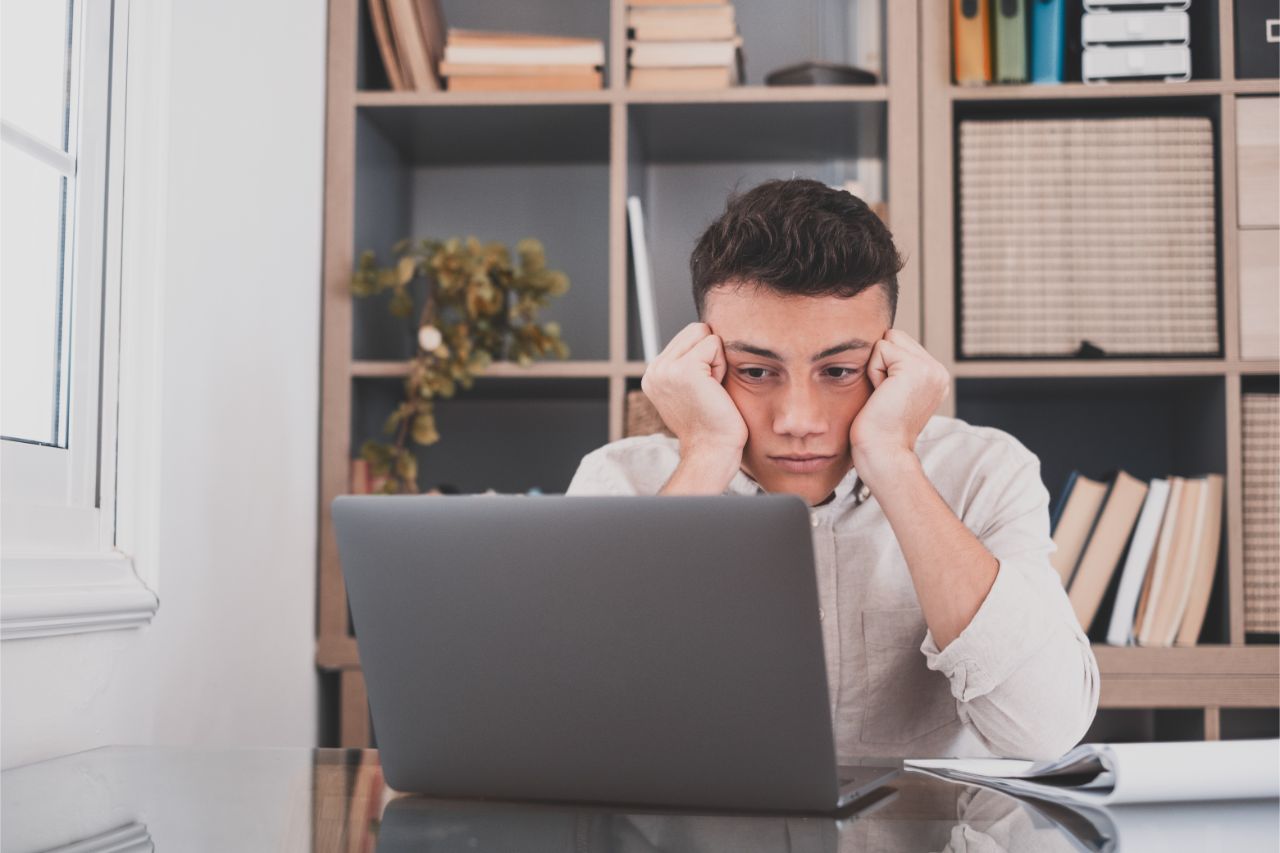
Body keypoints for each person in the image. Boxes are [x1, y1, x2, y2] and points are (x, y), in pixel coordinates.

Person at [566, 178, 1100, 761]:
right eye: (756, 371)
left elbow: (1044, 733)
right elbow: (582, 726)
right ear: (705, 362)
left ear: (889, 360)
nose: (798, 420)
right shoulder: (619, 483)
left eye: (839, 371)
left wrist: (894, 461)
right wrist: (705, 454)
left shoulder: (983, 471)